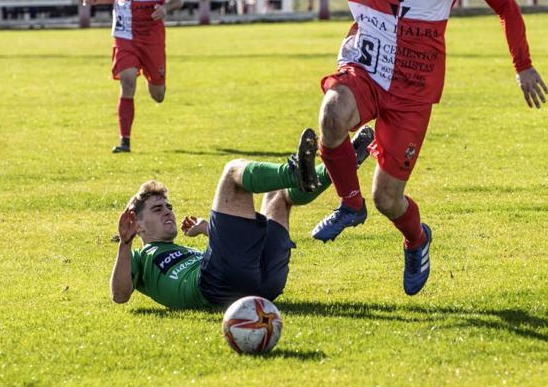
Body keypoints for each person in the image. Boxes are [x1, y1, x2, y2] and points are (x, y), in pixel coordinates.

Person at [287, 0, 548, 296]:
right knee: (332, 114)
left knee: (388, 199)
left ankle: (416, 239)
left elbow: (505, 5)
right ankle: (348, 205)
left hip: (413, 91)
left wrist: (523, 65)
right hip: (367, 70)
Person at [110, 126, 374, 310]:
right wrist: (125, 244)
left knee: (277, 196)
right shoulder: (140, 258)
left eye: (168, 206)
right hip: (215, 286)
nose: (168, 211)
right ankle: (293, 171)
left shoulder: (182, 248)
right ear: (138, 224)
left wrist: (207, 230)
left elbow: (235, 255)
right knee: (232, 172)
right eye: (157, 209)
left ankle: (339, 165)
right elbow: (120, 296)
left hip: (262, 282)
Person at [81, 0, 183, 154]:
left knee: (158, 95)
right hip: (125, 32)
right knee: (127, 82)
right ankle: (124, 141)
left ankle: (153, 76)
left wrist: (166, 8)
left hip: (152, 35)